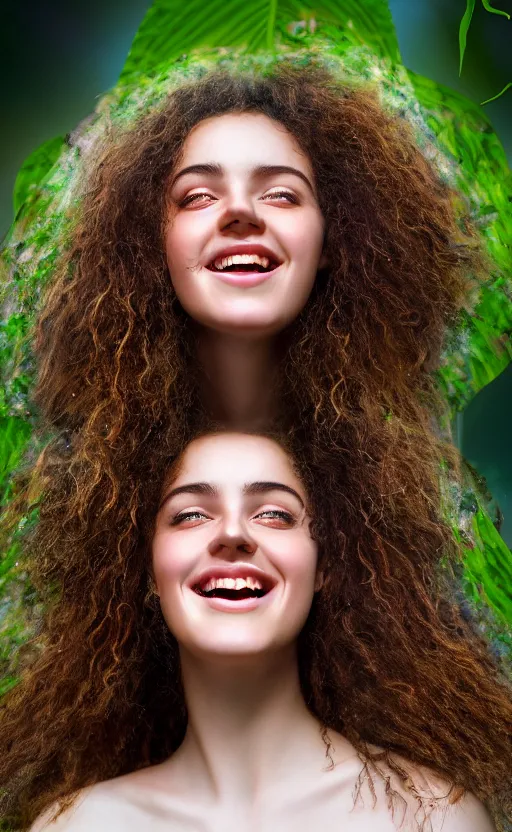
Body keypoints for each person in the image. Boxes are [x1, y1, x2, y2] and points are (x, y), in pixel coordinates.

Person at [1, 62, 511, 831]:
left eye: (281, 192)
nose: (240, 212)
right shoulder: (85, 475)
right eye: (198, 195)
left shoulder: (407, 484)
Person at [18, 429, 499, 831]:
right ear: (148, 571)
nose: (232, 533)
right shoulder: (77, 826)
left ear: (324, 566)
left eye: (274, 513)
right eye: (190, 514)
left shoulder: (434, 819)